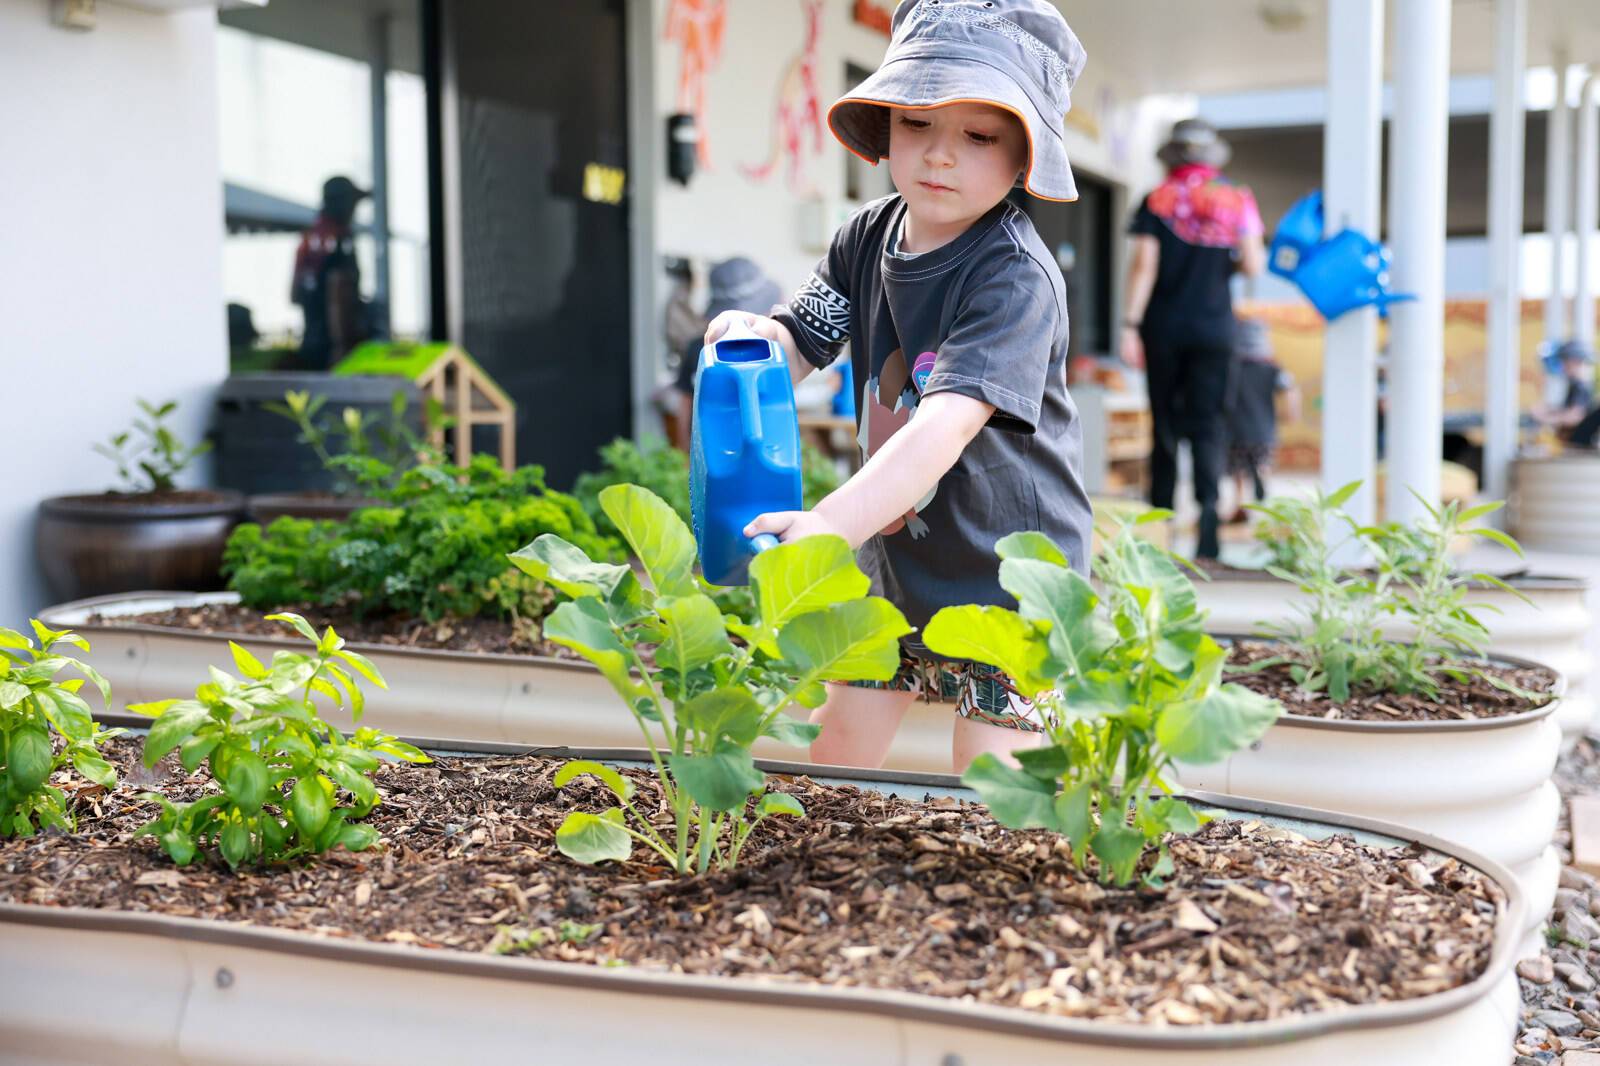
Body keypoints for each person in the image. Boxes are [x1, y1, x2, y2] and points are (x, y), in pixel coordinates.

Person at [702, 0, 1093, 773]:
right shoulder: (865, 235)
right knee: (834, 747)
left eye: (977, 136)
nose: (939, 156)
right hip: (898, 564)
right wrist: (756, 342)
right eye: (917, 125)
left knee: (995, 785)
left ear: (1023, 157)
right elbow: (802, 341)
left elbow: (941, 429)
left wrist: (828, 525)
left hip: (1010, 578)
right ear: (887, 128)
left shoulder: (1013, 277)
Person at [1120, 118, 1266, 561]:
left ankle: (1160, 531)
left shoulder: (1157, 199)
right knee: (1209, 426)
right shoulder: (1237, 198)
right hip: (1216, 329)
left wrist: (1129, 325)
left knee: (1164, 426)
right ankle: (1207, 530)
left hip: (1164, 326)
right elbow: (1254, 265)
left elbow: (1144, 265)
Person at [666, 257, 784, 449]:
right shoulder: (768, 349)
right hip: (746, 444)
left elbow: (685, 402)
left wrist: (683, 446)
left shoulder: (700, 346)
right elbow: (686, 401)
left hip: (709, 443)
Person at [1223, 318, 1299, 522]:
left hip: (1236, 428)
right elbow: (1290, 391)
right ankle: (1261, 499)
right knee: (1262, 464)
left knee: (1237, 469)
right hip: (1264, 428)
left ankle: (1240, 504)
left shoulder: (1231, 368)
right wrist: (1291, 413)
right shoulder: (1273, 369)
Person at [291, 176, 369, 370]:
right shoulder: (338, 239)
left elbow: (294, 295)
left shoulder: (310, 238)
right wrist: (342, 347)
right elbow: (337, 293)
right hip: (334, 352)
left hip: (312, 347)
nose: (354, 211)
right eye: (352, 203)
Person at [1540, 340, 1600, 447]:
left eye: (1566, 362)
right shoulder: (1575, 386)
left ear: (1576, 361)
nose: (1564, 367)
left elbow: (1575, 416)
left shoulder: (1581, 386)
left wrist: (1548, 418)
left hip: (1580, 446)